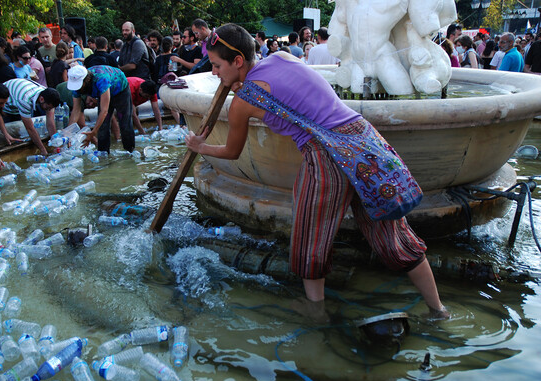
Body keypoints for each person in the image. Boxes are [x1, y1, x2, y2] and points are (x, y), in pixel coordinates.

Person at [184, 23, 448, 319]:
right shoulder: (283, 57)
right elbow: (297, 91)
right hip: (364, 141)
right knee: (393, 235)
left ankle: (315, 311)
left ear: (237, 61)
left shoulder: (243, 102)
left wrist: (200, 146)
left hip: (325, 155)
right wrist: (240, 83)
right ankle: (438, 309)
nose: (214, 73)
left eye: (218, 65)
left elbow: (232, 152)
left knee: (310, 233)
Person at [67, 65, 135, 153]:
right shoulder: (77, 87)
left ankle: (130, 151)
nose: (78, 89)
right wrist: (69, 133)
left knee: (124, 123)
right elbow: (76, 110)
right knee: (103, 126)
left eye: (79, 86)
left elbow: (104, 111)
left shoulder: (101, 79)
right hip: (102, 92)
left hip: (120, 89)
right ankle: (103, 154)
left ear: (87, 80)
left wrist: (94, 132)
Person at [0, 78, 60, 153]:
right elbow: (30, 128)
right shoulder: (25, 100)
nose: (48, 110)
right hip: (7, 101)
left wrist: (56, 145)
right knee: (9, 135)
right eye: (48, 107)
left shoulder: (48, 96)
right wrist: (43, 150)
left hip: (19, 91)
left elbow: (51, 123)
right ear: (41, 99)